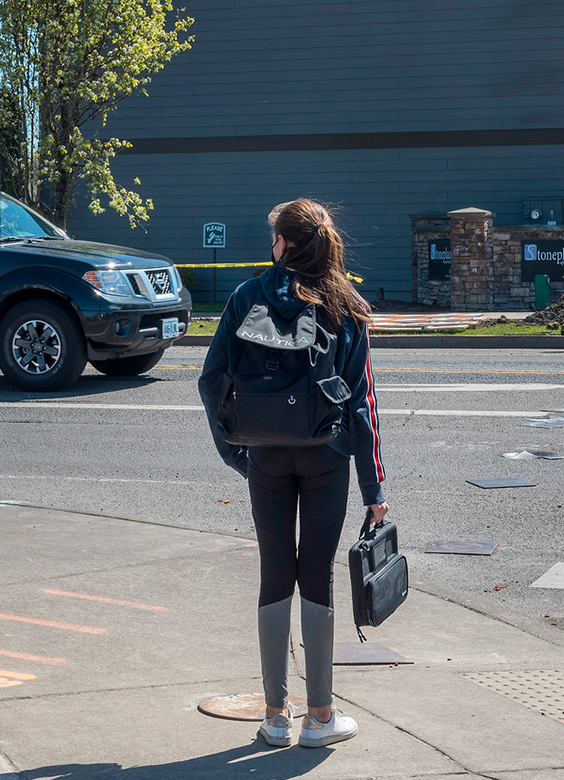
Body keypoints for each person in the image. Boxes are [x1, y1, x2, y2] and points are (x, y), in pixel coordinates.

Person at [198, 198, 385, 750]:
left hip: (266, 455)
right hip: (326, 455)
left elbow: (212, 381)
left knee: (274, 570)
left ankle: (276, 716)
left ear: (283, 244)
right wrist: (374, 487)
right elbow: (363, 403)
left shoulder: (245, 296)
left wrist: (239, 453)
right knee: (317, 574)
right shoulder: (345, 303)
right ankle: (320, 717)